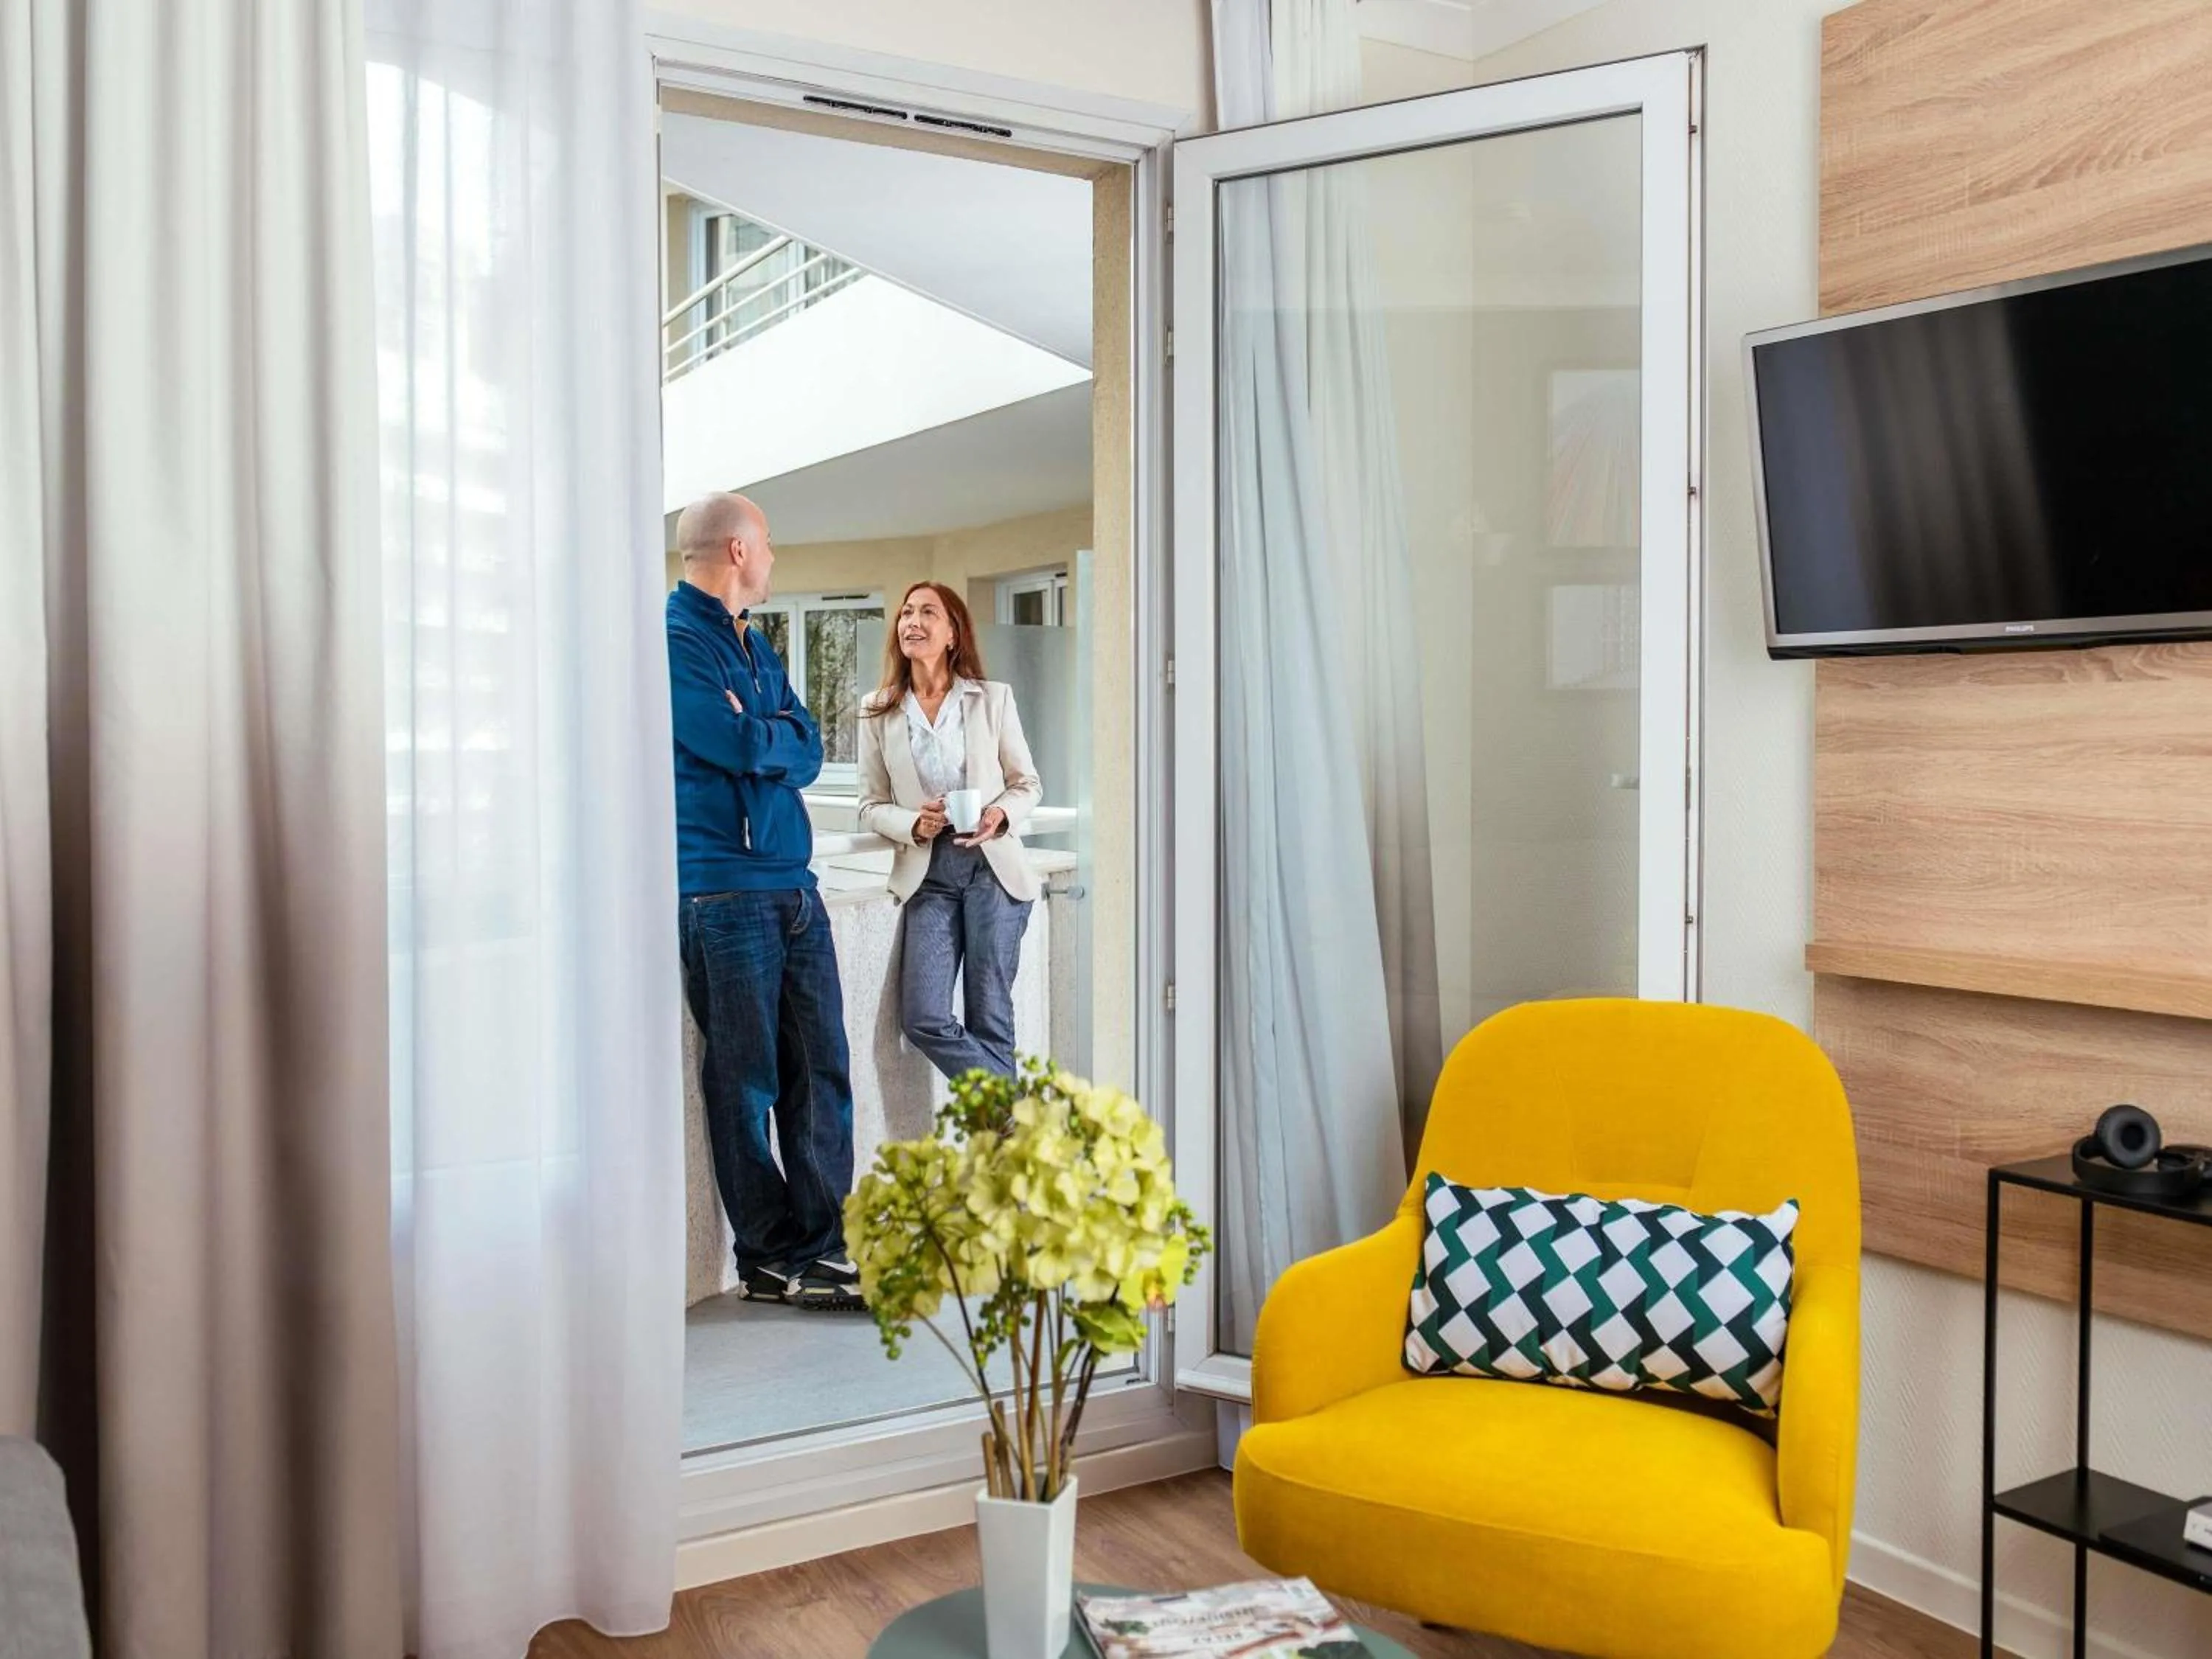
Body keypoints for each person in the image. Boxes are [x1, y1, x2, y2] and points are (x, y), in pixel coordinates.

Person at [667, 492, 862, 1311]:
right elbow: (732, 739)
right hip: (723, 891)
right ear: (739, 551)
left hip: (793, 886)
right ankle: (770, 1256)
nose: (776, 555)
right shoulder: (676, 639)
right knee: (746, 1082)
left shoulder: (755, 643)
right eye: (770, 542)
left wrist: (769, 734)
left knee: (821, 1070)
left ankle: (825, 1250)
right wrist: (764, 736)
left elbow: (808, 744)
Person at [856, 581, 1043, 1081]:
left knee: (991, 1018)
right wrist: (914, 822)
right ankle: (1019, 1114)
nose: (912, 622)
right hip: (929, 875)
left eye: (928, 613)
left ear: (953, 633)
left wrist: (999, 813)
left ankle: (1005, 1151)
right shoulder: (877, 710)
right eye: (907, 613)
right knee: (924, 1017)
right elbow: (870, 805)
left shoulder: (992, 700)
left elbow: (1027, 783)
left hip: (993, 870)